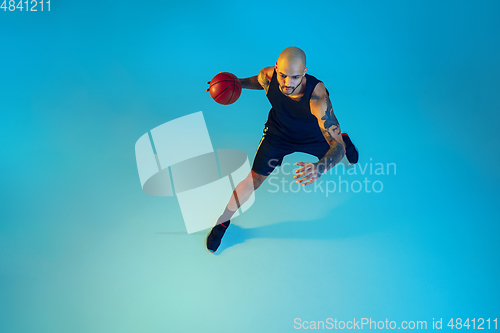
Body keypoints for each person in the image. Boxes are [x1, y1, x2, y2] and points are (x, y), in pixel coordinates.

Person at [205, 46, 359, 253]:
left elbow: (337, 148)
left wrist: (319, 168)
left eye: (295, 77)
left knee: (338, 149)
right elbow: (260, 81)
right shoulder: (268, 76)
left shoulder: (318, 98)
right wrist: (235, 84)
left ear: (304, 72)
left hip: (313, 135)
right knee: (253, 180)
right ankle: (222, 222)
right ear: (276, 69)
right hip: (279, 134)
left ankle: (346, 138)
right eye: (283, 76)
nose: (288, 83)